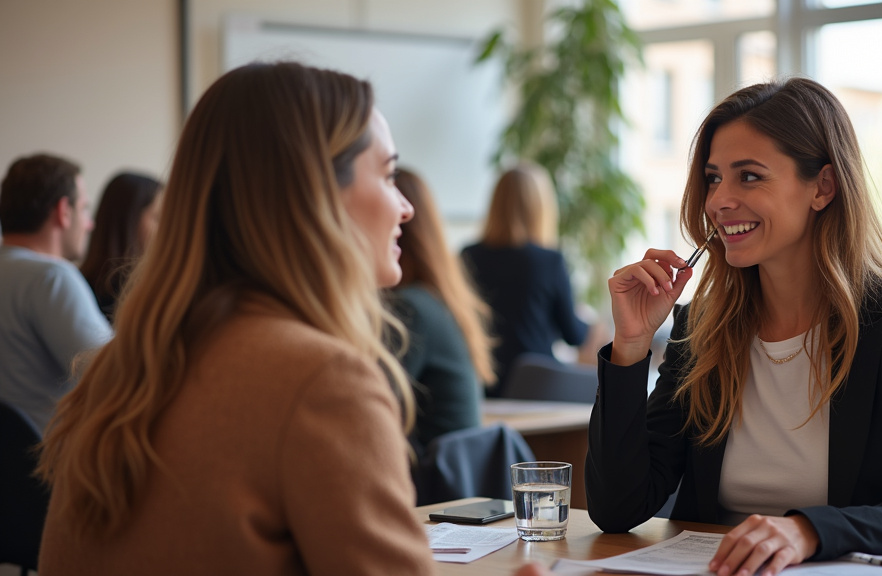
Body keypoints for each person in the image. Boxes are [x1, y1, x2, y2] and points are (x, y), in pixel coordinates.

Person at [35, 62, 550, 576]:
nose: (406, 208)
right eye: (390, 175)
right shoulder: (323, 380)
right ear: (319, 196)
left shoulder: (117, 369)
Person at [586, 77, 882, 576]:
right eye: (714, 178)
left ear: (822, 187)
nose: (719, 201)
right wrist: (630, 345)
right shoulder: (703, 326)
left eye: (750, 177)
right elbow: (617, 509)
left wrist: (810, 530)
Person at [461, 162, 596, 395]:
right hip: (535, 388)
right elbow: (574, 336)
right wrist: (588, 321)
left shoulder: (468, 256)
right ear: (541, 208)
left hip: (482, 385)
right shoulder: (549, 261)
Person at [0, 153, 112, 432]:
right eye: (85, 209)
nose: (90, 224)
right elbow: (114, 377)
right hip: (51, 464)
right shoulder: (51, 278)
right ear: (63, 211)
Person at [389, 167, 495, 449]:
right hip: (453, 484)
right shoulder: (439, 301)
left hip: (430, 489)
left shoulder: (410, 309)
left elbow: (366, 414)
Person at [79, 171, 165, 321]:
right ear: (129, 220)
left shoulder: (80, 282)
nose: (166, 228)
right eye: (157, 218)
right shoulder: (140, 292)